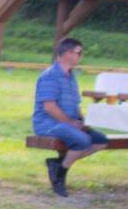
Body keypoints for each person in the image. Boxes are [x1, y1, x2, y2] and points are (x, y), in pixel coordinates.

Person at [33, 37, 108, 196]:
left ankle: (58, 165)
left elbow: (75, 105)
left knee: (101, 140)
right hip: (47, 124)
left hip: (68, 124)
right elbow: (49, 107)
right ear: (67, 53)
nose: (81, 56)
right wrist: (71, 123)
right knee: (83, 140)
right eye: (79, 52)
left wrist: (82, 122)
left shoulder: (70, 76)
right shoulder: (50, 75)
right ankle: (60, 176)